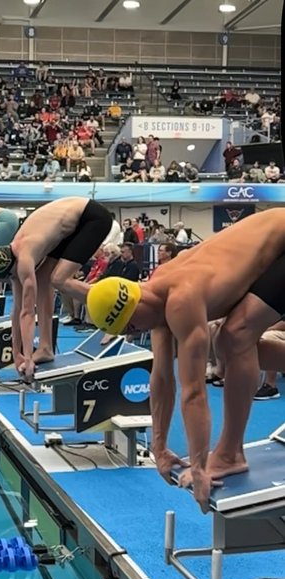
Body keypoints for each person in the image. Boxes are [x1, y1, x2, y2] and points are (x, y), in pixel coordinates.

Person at [85, 209, 285, 513]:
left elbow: (193, 392)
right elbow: (162, 378)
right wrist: (160, 448)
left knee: (235, 336)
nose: (135, 333)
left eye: (131, 328)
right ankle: (229, 452)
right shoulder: (153, 297)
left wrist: (200, 467)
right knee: (229, 342)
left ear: (135, 309)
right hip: (273, 245)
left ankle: (230, 454)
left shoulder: (181, 300)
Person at [0, 197, 116, 379]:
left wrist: (28, 358)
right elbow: (17, 310)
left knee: (59, 279)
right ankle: (45, 348)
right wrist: (16, 352)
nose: (14, 280)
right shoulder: (13, 259)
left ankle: (116, 308)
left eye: (12, 276)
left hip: (92, 217)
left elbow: (28, 313)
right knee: (43, 278)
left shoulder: (24, 260)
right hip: (66, 225)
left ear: (13, 266)